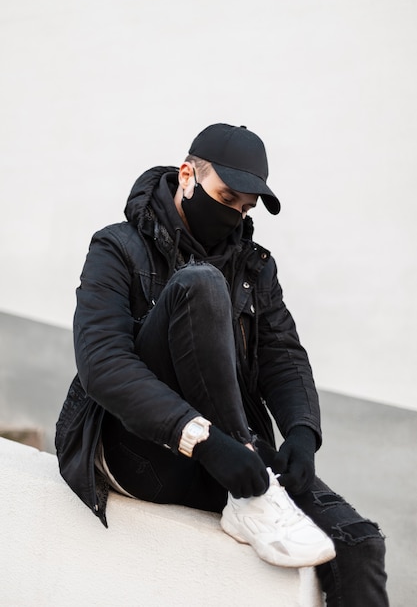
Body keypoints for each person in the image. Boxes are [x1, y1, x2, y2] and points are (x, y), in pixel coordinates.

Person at [56, 123, 388, 605]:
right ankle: (249, 486)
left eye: (245, 208)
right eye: (226, 196)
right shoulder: (116, 247)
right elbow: (103, 364)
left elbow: (283, 352)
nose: (233, 215)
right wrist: (208, 442)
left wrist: (300, 431)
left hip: (232, 460)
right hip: (139, 449)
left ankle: (252, 491)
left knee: (358, 542)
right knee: (201, 285)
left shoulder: (254, 266)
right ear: (187, 175)